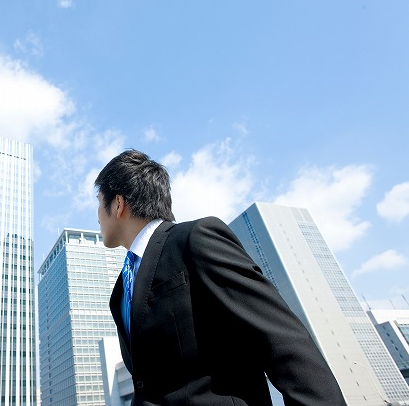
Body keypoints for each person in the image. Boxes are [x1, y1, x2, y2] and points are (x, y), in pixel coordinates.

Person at [95, 149, 345, 406]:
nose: (97, 216)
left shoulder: (194, 239)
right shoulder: (121, 290)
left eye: (99, 202)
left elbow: (281, 338)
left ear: (118, 204)